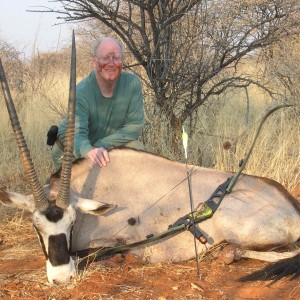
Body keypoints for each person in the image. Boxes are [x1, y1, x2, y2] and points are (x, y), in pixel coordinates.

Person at [51, 37, 144, 171]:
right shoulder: (81, 92)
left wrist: (102, 145)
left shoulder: (133, 83)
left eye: (116, 58)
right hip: (77, 147)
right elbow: (77, 134)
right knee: (70, 186)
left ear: (122, 61)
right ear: (94, 61)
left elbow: (134, 126)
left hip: (104, 146)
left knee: (138, 149)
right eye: (105, 58)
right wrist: (90, 151)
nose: (111, 63)